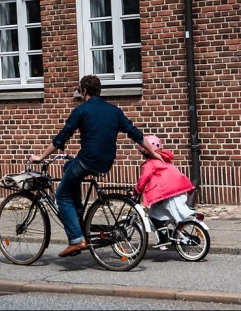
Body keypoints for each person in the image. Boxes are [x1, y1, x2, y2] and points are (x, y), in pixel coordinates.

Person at [30, 75, 163, 258]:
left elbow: (62, 136)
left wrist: (41, 156)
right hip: (105, 162)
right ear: (99, 91)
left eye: (80, 92)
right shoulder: (114, 111)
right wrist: (154, 153)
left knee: (62, 195)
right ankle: (77, 215)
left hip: (87, 161)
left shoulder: (81, 110)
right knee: (69, 166)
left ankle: (76, 239)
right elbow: (135, 133)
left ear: (84, 91)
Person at [133, 135, 195, 250]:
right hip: (179, 190)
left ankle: (163, 239)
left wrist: (136, 190)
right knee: (162, 214)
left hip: (167, 193)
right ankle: (168, 235)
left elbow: (143, 179)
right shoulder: (164, 159)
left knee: (153, 215)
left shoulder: (150, 164)